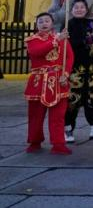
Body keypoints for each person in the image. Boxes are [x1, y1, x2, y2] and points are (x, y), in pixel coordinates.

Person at [25, 12, 73, 155]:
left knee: (58, 115)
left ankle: (58, 143)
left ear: (52, 23)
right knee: (35, 115)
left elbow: (69, 57)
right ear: (36, 25)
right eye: (40, 21)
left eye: (47, 21)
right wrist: (57, 40)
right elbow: (37, 52)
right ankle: (35, 141)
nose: (44, 24)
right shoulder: (31, 40)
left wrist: (66, 74)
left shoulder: (61, 38)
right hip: (38, 81)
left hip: (59, 80)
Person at [64, 0, 93, 143]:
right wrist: (82, 41)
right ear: (72, 10)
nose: (79, 9)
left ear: (86, 9)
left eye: (82, 7)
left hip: (92, 68)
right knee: (72, 99)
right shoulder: (68, 24)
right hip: (75, 68)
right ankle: (68, 129)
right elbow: (68, 44)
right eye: (76, 7)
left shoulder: (91, 23)